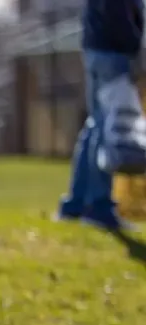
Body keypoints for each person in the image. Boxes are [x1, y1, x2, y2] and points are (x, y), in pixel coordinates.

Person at [57, 0, 144, 231]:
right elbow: (119, 13)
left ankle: (75, 204)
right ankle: (98, 206)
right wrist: (135, 47)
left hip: (96, 47)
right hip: (113, 52)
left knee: (96, 124)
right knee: (107, 126)